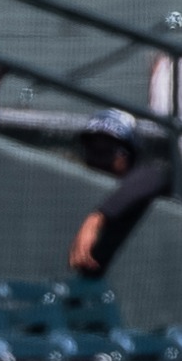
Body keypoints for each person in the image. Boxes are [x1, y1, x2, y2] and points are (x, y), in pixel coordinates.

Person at [68, 110, 173, 279]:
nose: (98, 158)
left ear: (128, 154)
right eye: (91, 148)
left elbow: (155, 175)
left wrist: (96, 218)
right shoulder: (72, 183)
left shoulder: (141, 181)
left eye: (108, 149)